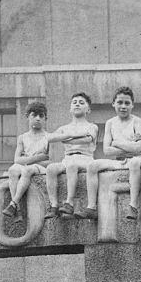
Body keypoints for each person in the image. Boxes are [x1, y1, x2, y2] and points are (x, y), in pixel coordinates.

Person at [42, 92, 101, 220]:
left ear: (88, 109)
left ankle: (69, 203)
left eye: (81, 102)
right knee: (51, 168)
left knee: (72, 166)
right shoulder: (64, 127)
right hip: (67, 158)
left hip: (85, 158)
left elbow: (87, 139)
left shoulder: (92, 126)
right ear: (70, 108)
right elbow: (50, 138)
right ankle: (54, 205)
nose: (77, 104)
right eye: (74, 102)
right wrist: (74, 135)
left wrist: (65, 138)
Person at [100, 86, 141, 220]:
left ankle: (132, 206)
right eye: (120, 102)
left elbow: (138, 148)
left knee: (134, 162)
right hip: (118, 160)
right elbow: (106, 150)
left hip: (136, 159)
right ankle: (92, 207)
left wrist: (117, 143)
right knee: (93, 166)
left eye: (127, 103)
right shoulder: (110, 123)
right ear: (113, 103)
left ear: (132, 105)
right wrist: (128, 146)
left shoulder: (136, 121)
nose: (123, 106)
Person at [3, 101, 51, 218]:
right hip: (29, 164)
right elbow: (17, 160)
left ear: (45, 119)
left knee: (27, 170)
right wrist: (38, 157)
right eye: (34, 115)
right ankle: (17, 209)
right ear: (28, 117)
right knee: (13, 170)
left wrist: (27, 159)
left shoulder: (48, 137)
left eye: (41, 116)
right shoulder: (23, 137)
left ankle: (14, 203)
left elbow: (49, 161)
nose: (38, 119)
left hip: (39, 168)